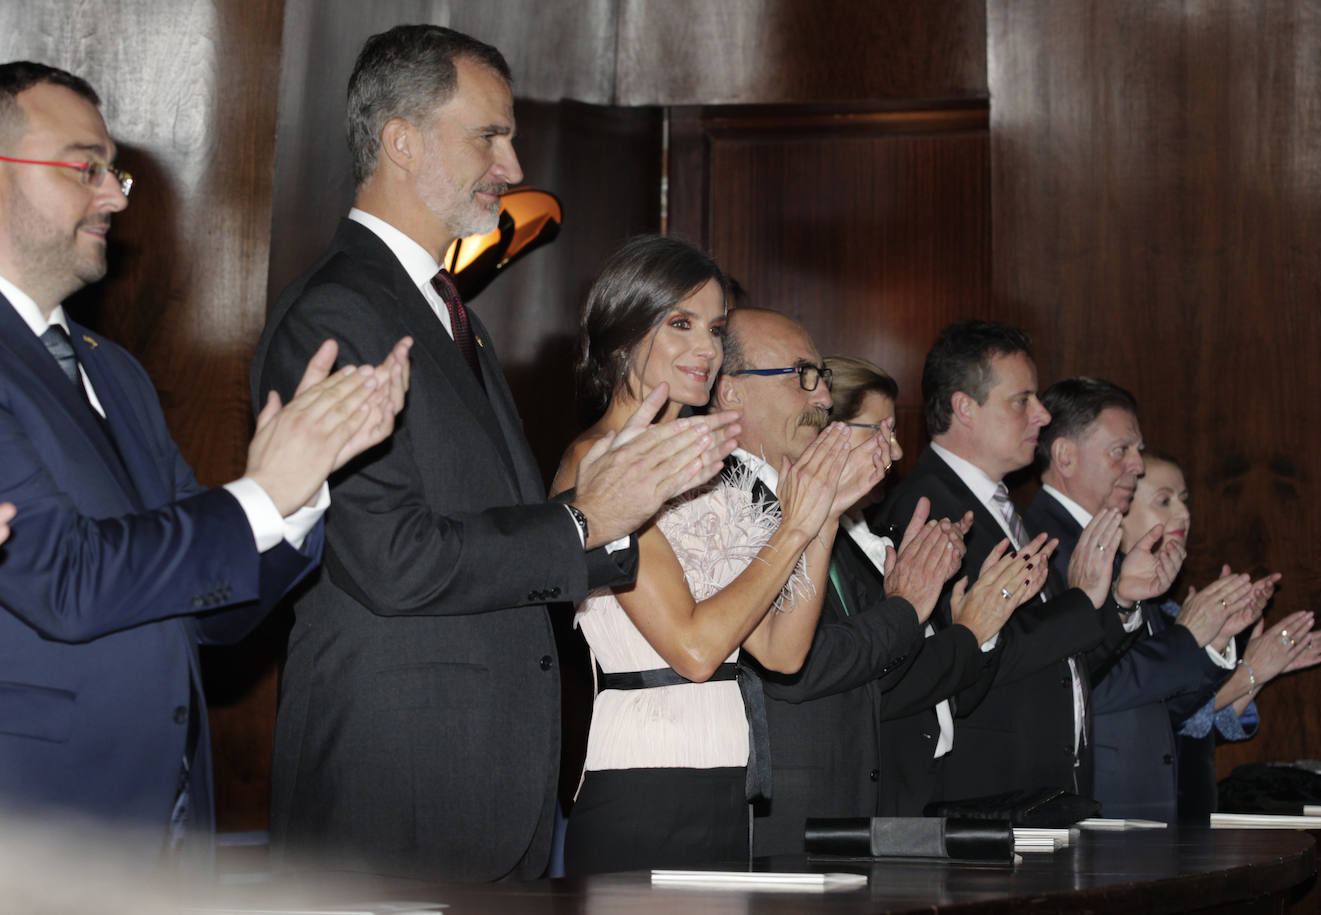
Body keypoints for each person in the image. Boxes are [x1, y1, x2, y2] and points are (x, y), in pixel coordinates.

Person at [253, 28, 740, 882]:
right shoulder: (341, 309)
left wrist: (607, 515)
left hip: (485, 787)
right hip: (400, 787)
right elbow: (391, 558)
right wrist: (587, 518)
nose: (512, 166)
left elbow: (504, 531)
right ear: (400, 140)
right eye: (490, 135)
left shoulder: (448, 309)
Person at [0, 60, 409, 869]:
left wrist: (295, 499)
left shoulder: (113, 369)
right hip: (41, 821)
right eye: (86, 168)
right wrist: (260, 496)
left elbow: (205, 607)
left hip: (170, 832)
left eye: (113, 170)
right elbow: (65, 579)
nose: (117, 195)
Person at [551, 238, 869, 873]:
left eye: (716, 329)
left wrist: (825, 515)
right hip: (644, 776)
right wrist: (794, 529)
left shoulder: (711, 472)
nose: (706, 349)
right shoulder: (600, 464)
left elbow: (781, 650)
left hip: (729, 771)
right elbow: (696, 651)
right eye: (680, 324)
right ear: (622, 336)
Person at [709, 320, 1045, 856]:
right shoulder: (727, 502)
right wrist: (910, 607)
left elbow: (877, 673)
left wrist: (931, 613)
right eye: (803, 376)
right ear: (731, 391)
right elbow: (800, 668)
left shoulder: (819, 513)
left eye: (821, 377)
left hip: (848, 802)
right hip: (788, 814)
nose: (822, 394)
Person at [873, 321, 1182, 801]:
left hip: (1039, 795)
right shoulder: (929, 511)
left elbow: (1058, 663)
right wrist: (1079, 600)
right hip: (984, 797)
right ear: (964, 409)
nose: (1041, 414)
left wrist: (1118, 601)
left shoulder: (1000, 507)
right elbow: (974, 655)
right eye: (1022, 400)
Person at [824, 355, 1051, 818]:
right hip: (871, 791)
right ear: (826, 434)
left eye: (894, 432)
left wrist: (978, 631)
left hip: (918, 786)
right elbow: (866, 687)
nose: (896, 453)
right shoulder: (830, 546)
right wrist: (966, 630)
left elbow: (945, 692)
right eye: (878, 432)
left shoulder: (863, 537)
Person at [1025, 378, 1262, 820]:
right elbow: (1086, 682)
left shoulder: (1112, 546)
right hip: (1095, 798)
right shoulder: (1044, 542)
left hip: (1139, 797)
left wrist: (1210, 641)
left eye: (1138, 451)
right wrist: (1191, 635)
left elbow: (1163, 698)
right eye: (1121, 451)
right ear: (1065, 456)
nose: (1136, 465)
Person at [1120, 453, 1321, 819]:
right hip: (1138, 811)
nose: (1184, 515)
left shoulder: (1169, 611)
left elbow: (1204, 729)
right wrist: (1248, 672)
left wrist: (1256, 667)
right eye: (1164, 500)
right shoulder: (1119, 612)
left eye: (1184, 499)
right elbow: (1156, 718)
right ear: (1119, 511)